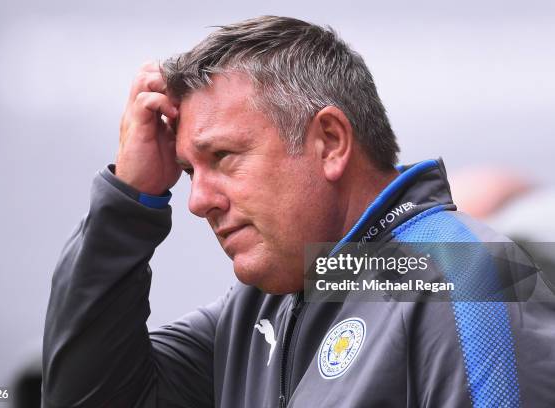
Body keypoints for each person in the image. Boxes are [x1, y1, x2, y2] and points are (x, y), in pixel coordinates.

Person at [42, 16, 555, 407]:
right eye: (188, 171)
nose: (198, 201)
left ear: (330, 142)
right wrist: (129, 202)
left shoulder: (469, 281)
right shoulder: (260, 308)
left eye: (222, 157)